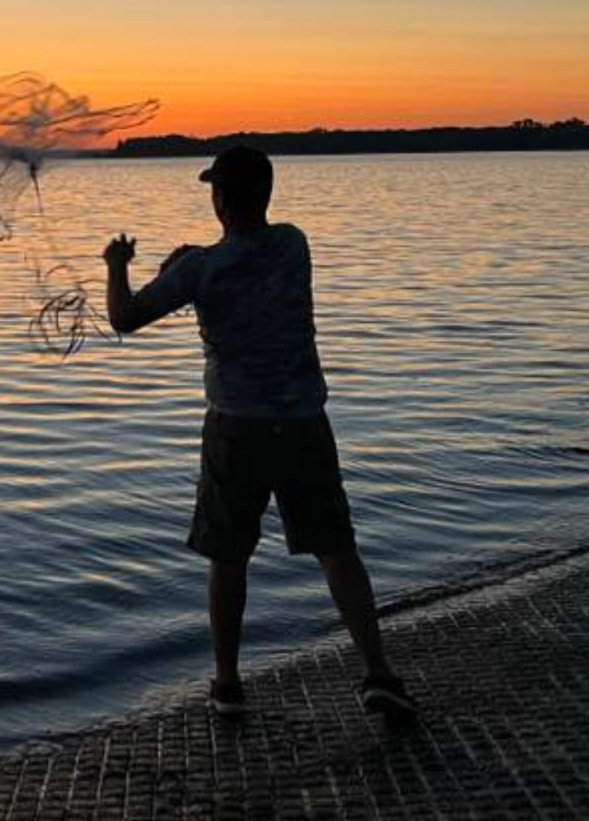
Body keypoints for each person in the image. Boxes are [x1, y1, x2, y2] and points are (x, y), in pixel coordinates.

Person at [101, 146, 418, 719]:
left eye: (215, 190)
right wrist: (191, 262)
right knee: (337, 549)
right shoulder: (295, 244)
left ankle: (227, 686)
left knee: (228, 558)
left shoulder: (199, 271)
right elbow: (237, 260)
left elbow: (124, 318)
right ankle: (379, 674)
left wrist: (116, 266)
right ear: (266, 195)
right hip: (304, 425)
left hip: (236, 431)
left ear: (221, 198)